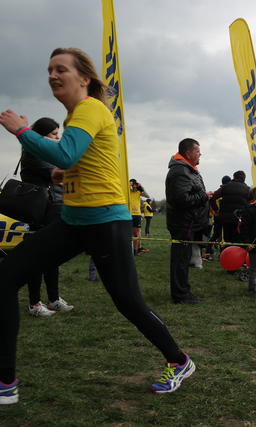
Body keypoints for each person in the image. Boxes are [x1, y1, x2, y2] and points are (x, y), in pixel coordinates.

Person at [0, 48, 194, 405]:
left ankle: (179, 360)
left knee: (129, 303)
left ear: (84, 78)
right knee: (5, 277)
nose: (52, 75)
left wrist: (21, 131)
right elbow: (84, 158)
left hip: (105, 222)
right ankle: (5, 382)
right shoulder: (75, 115)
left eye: (61, 69)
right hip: (74, 221)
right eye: (49, 70)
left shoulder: (90, 108)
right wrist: (66, 174)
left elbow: (66, 152)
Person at [19, 117, 73, 317]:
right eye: (54, 134)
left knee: (52, 256)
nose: (58, 138)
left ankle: (54, 299)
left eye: (58, 134)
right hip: (40, 211)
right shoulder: (34, 153)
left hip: (52, 208)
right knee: (37, 258)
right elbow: (58, 174)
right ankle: (35, 304)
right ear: (41, 135)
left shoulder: (42, 152)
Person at [165, 138, 211, 304]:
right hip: (183, 223)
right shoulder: (180, 171)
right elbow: (181, 199)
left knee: (184, 260)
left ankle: (183, 291)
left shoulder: (188, 170)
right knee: (180, 260)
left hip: (189, 222)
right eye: (197, 151)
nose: (200, 154)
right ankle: (180, 295)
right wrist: (203, 196)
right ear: (188, 153)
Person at [212, 170, 250, 245]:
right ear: (244, 178)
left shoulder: (225, 187)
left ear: (234, 177)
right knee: (237, 241)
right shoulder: (247, 189)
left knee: (227, 240)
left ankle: (225, 251)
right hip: (240, 219)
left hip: (226, 218)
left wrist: (216, 210)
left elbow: (213, 197)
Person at [129, 179, 149, 255]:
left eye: (135, 185)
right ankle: (129, 250)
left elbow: (147, 196)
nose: (134, 187)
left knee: (136, 234)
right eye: (133, 185)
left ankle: (135, 251)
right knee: (128, 233)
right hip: (128, 214)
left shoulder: (138, 192)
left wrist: (141, 187)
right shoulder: (127, 192)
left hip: (137, 215)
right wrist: (129, 185)